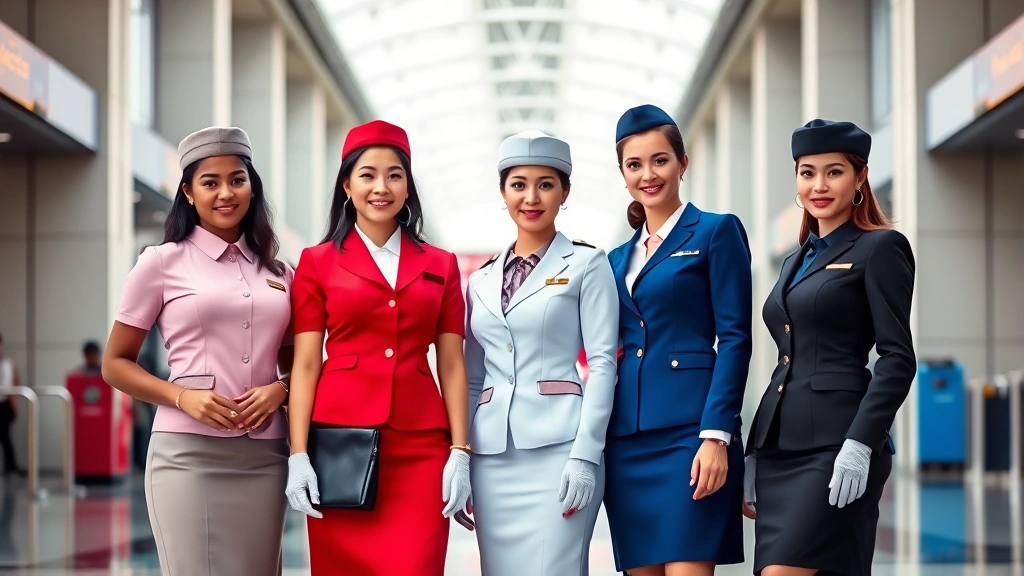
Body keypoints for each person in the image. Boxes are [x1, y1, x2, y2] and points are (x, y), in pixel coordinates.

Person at [102, 127, 293, 576]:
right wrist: (183, 396)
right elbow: (115, 363)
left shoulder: (283, 272)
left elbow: (298, 363)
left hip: (266, 455)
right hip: (187, 454)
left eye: (237, 180)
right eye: (210, 182)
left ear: (252, 187)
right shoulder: (160, 262)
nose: (225, 193)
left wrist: (280, 391)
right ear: (187, 192)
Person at [285, 120, 472, 576]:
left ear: (408, 187)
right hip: (339, 445)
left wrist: (461, 451)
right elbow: (307, 364)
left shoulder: (441, 265)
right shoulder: (317, 262)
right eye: (367, 175)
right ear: (347, 185)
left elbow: (451, 365)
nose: (381, 187)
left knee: (417, 566)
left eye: (394, 174)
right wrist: (297, 455)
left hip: (422, 447)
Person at [743, 119, 916, 576]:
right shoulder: (794, 260)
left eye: (834, 172)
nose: (818, 185)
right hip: (780, 449)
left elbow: (898, 358)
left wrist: (861, 442)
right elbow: (787, 361)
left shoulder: (880, 248)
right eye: (807, 172)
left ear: (860, 178)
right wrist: (754, 449)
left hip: (837, 446)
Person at [604, 104, 752, 576]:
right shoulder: (613, 259)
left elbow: (734, 339)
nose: (648, 175)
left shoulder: (715, 231)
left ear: (683, 163)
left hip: (692, 433)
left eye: (660, 160)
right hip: (626, 440)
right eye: (634, 164)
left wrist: (716, 434)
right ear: (623, 173)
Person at [465, 131, 619, 575]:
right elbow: (475, 378)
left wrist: (586, 454)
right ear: (502, 191)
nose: (531, 197)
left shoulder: (588, 264)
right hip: (492, 458)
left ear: (564, 192)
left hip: (561, 450)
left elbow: (604, 363)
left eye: (546, 184)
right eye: (518, 184)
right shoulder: (481, 279)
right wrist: (465, 455)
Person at [0, 334, 25, 478]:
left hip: (4, 404)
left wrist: (14, 405)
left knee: (5, 437)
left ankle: (11, 467)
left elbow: (13, 383)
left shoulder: (7, 363)